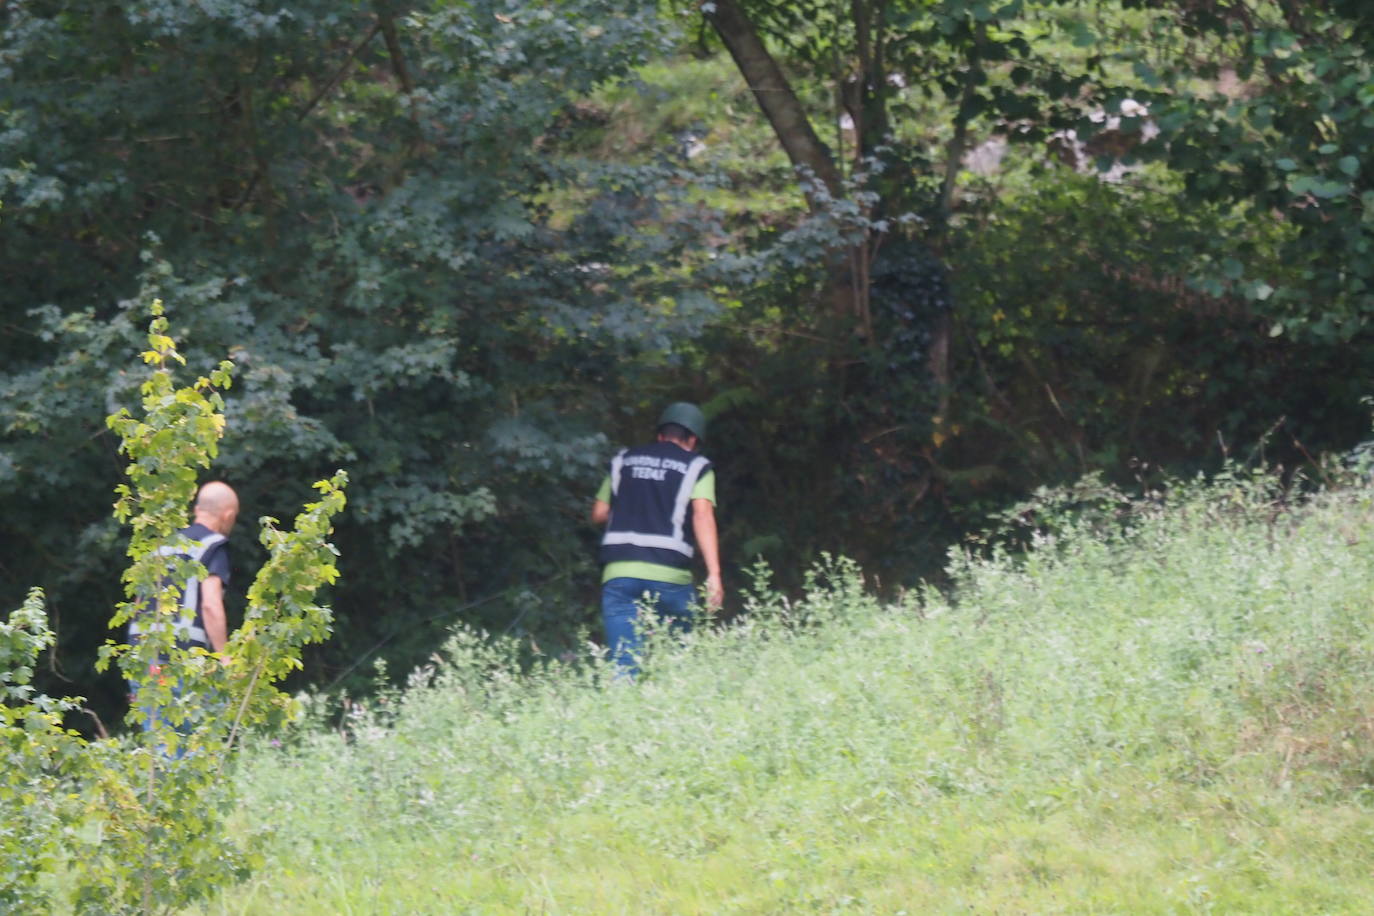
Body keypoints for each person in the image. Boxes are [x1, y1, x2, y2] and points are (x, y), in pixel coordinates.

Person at [591, 403, 722, 673]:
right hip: (669, 577)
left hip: (619, 574)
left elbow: (599, 513)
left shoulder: (623, 460)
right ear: (693, 440)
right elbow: (702, 516)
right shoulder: (697, 466)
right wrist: (714, 574)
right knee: (678, 661)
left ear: (661, 435)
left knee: (624, 665)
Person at [127, 481, 239, 735]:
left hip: (142, 658)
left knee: (158, 744)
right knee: (197, 745)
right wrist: (225, 657)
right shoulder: (213, 545)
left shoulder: (161, 547)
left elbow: (138, 604)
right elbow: (210, 604)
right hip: (181, 661)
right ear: (228, 515)